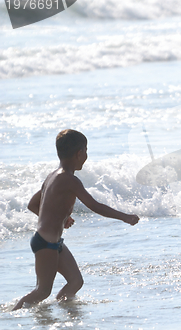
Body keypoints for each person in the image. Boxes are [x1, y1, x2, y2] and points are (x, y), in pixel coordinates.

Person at [13, 129, 140, 311]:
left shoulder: (53, 176)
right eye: (86, 151)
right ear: (79, 153)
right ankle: (10, 317)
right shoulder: (69, 179)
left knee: (76, 281)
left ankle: (65, 312)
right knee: (42, 291)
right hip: (45, 244)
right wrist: (125, 217)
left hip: (54, 243)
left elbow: (34, 204)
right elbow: (95, 206)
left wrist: (60, 218)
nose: (87, 155)